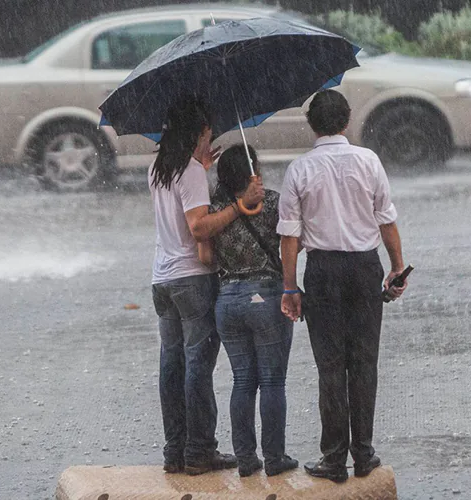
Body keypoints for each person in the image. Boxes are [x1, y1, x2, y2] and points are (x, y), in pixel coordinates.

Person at [277, 90, 408, 483]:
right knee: (364, 363)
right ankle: (364, 454)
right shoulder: (368, 161)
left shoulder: (298, 170)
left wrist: (290, 287)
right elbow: (385, 220)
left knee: (330, 365)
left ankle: (334, 458)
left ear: (312, 125)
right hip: (365, 268)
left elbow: (289, 236)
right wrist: (397, 266)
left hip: (322, 271)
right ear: (347, 121)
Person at [148, 97, 264, 476]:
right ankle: (199, 450)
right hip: (192, 280)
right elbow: (198, 227)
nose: (210, 138)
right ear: (197, 133)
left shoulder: (158, 167)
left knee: (172, 363)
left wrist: (203, 167)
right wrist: (238, 206)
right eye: (208, 133)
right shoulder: (191, 172)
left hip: (162, 279)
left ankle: (175, 450)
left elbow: (179, 208)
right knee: (197, 364)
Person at [198, 144, 299, 478]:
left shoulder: (215, 209)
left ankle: (245, 458)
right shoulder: (271, 201)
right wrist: (290, 287)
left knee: (243, 380)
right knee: (272, 381)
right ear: (253, 169)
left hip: (227, 301)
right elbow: (293, 242)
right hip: (265, 297)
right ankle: (275, 458)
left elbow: (208, 258)